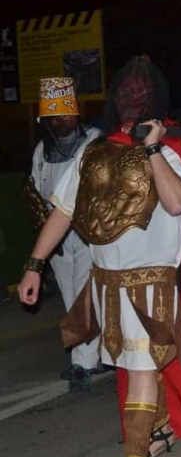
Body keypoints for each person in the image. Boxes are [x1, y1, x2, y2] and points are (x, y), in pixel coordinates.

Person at [18, 56, 181, 457]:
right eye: (125, 92)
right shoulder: (94, 151)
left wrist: (152, 149)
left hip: (153, 285)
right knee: (134, 364)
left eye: (139, 94)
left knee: (142, 367)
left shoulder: (173, 150)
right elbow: (63, 211)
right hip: (107, 286)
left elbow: (175, 202)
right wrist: (35, 265)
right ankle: (161, 428)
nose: (132, 99)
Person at [23, 77, 102, 391]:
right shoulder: (42, 151)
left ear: (77, 114)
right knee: (73, 299)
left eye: (66, 114)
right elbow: (36, 189)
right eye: (55, 117)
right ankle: (90, 355)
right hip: (56, 238)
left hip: (87, 235)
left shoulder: (94, 142)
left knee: (83, 297)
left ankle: (84, 363)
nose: (61, 120)